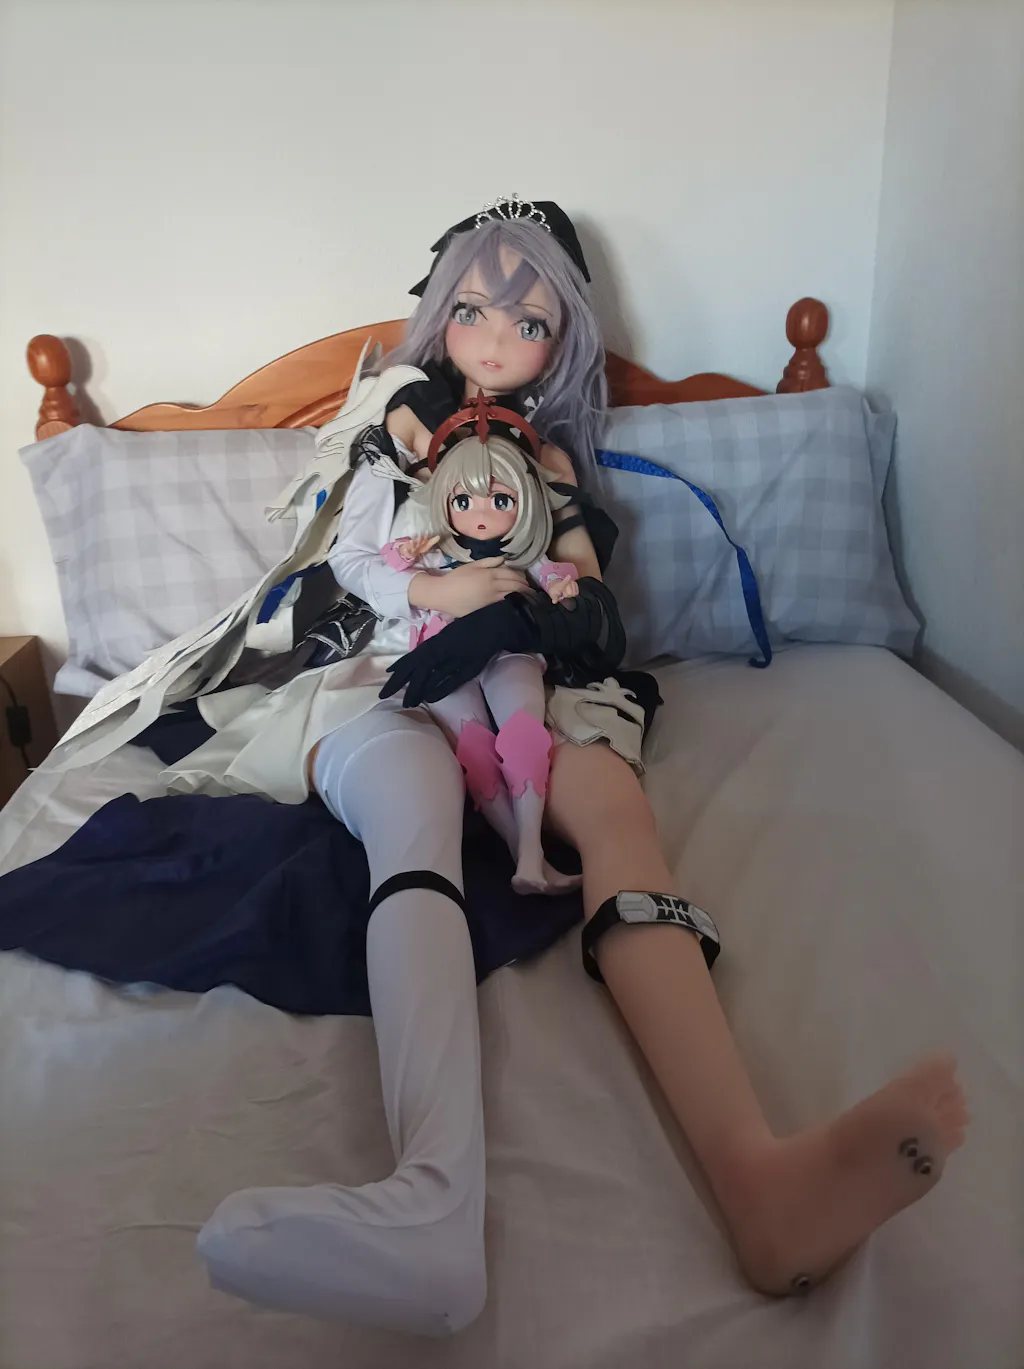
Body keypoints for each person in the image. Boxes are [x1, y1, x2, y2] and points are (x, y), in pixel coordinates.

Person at [195, 199, 967, 1334]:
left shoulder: (550, 461)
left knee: (611, 808)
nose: (495, 337)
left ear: (561, 342)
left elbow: (590, 591)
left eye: (529, 320)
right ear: (438, 315)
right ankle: (432, 1199)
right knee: (411, 802)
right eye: (471, 309)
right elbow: (355, 561)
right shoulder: (392, 435)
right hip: (397, 665)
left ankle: (757, 1180)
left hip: (535, 669)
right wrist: (437, 585)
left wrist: (550, 604)